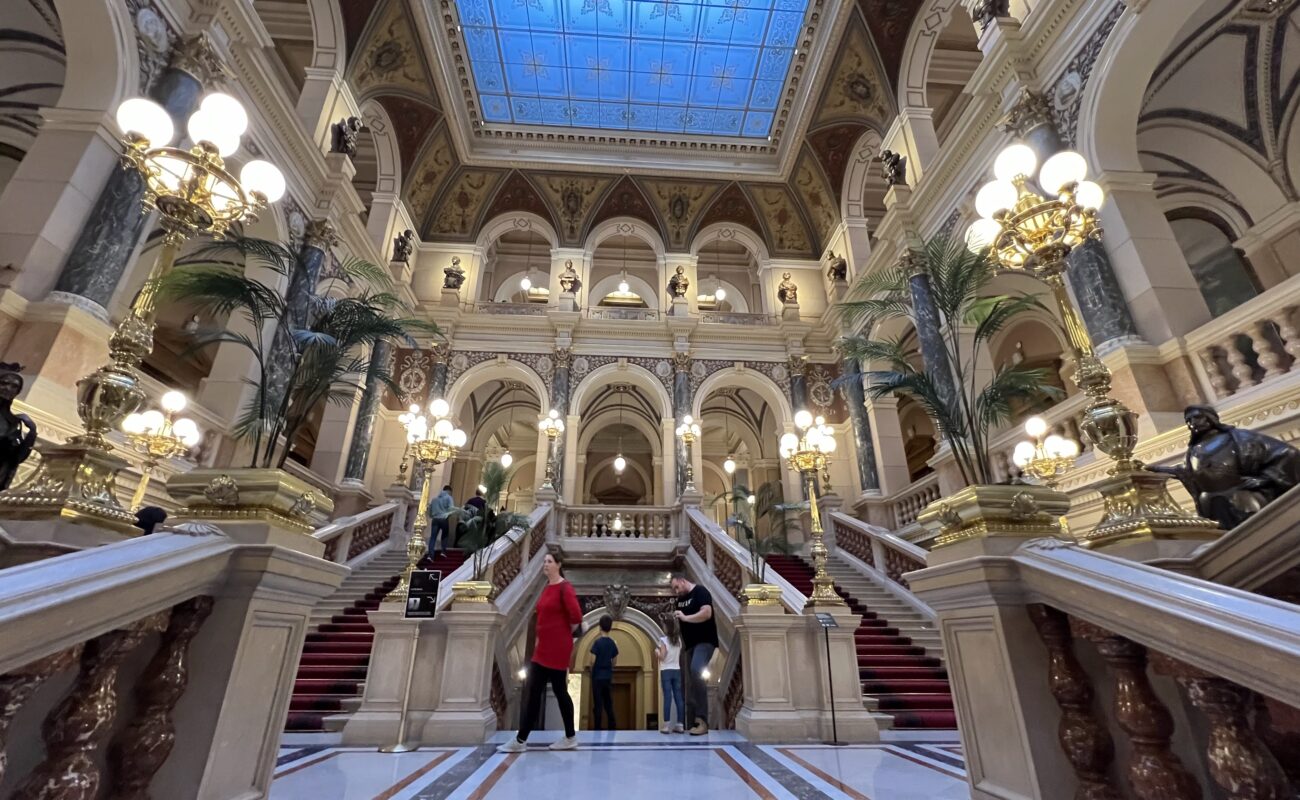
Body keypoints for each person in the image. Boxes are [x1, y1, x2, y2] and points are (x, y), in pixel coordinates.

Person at [1148, 405, 1300, 529]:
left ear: (1211, 418)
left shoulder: (1240, 438)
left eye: (1197, 417)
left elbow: (1287, 453)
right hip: (1211, 503)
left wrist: (1264, 479)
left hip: (1243, 497)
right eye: (1189, 420)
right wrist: (1157, 469)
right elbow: (1187, 471)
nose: (1192, 422)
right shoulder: (1194, 449)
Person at [498, 553, 583, 753]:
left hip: (556, 649)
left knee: (547, 692)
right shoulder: (547, 587)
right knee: (540, 692)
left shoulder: (565, 587)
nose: (545, 564)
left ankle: (523, 740)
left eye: (549, 562)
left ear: (559, 564)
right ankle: (564, 737)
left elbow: (576, 616)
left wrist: (562, 636)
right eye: (544, 561)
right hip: (543, 648)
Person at [670, 572, 718, 736]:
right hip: (690, 646)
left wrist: (685, 617)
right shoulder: (679, 601)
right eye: (674, 589)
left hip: (705, 642)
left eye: (677, 586)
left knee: (697, 670)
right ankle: (690, 723)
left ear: (683, 581)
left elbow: (707, 613)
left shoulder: (701, 592)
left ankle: (702, 721)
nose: (676, 590)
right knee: (689, 684)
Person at [656, 615, 685, 734]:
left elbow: (662, 657)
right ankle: (680, 724)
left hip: (666, 670)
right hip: (677, 670)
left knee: (667, 697)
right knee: (678, 697)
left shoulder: (664, 640)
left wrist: (656, 652)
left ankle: (667, 725)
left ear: (667, 627)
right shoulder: (678, 640)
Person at [589, 614, 618, 730]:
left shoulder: (597, 643)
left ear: (600, 627)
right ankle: (612, 726)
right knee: (608, 703)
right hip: (607, 676)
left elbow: (592, 661)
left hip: (597, 677)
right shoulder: (612, 643)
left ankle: (597, 728)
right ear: (610, 628)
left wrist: (594, 668)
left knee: (598, 704)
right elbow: (615, 662)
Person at [429, 485, 454, 557]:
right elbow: (451, 509)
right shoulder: (449, 498)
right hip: (444, 519)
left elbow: (430, 510)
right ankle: (443, 551)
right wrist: (448, 515)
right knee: (445, 535)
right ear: (449, 491)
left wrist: (432, 516)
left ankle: (430, 555)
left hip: (435, 519)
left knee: (433, 537)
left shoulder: (434, 499)